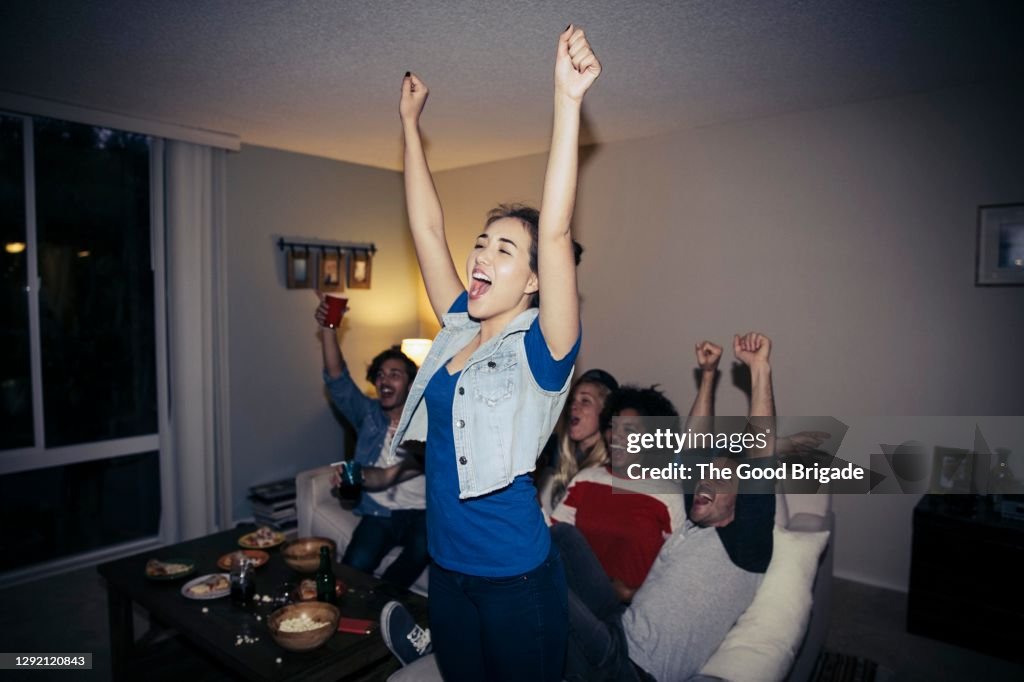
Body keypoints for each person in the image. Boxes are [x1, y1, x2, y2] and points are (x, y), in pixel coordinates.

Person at [378, 25, 601, 682]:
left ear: (532, 281)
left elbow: (556, 231)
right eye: (481, 243)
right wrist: (409, 127)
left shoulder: (543, 350)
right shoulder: (454, 325)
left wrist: (566, 102)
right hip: (446, 572)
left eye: (503, 250)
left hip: (516, 579)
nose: (479, 255)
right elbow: (424, 228)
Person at [554, 332, 778, 682]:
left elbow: (762, 456)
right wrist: (707, 376)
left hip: (630, 668)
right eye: (704, 477)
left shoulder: (744, 547)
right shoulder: (694, 522)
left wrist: (760, 368)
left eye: (722, 480)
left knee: (539, 584)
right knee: (564, 539)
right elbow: (694, 449)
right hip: (618, 624)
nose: (705, 482)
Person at [314, 298, 429, 590]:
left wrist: (369, 474)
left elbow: (418, 464)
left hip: (423, 513)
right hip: (378, 512)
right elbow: (338, 379)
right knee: (354, 567)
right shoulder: (368, 414)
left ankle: (381, 601)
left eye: (395, 374)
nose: (384, 380)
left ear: (411, 384)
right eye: (380, 375)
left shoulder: (427, 422)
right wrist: (328, 327)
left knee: (423, 548)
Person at [550, 385, 685, 604]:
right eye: (612, 427)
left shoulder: (668, 495)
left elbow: (678, 569)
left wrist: (634, 594)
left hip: (630, 613)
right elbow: (555, 540)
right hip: (574, 602)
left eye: (629, 431)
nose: (616, 436)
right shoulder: (587, 479)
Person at [536, 368, 619, 514]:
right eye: (572, 400)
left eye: (585, 401)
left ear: (605, 411)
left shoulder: (613, 468)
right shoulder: (552, 454)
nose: (574, 406)